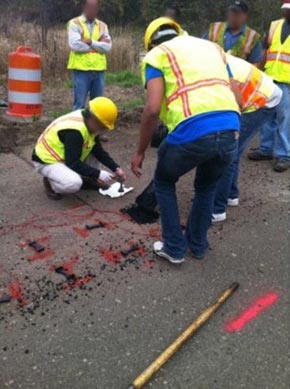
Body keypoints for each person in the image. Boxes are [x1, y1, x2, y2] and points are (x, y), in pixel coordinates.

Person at [131, 17, 240, 264]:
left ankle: (174, 248)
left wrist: (140, 152)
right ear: (180, 32)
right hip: (230, 127)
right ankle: (198, 245)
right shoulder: (213, 48)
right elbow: (237, 98)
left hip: (193, 130)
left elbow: (152, 109)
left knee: (164, 180)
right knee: (206, 187)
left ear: (151, 43)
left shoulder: (157, 56)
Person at [212, 55, 283, 222]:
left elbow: (234, 102)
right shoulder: (211, 56)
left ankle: (217, 209)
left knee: (228, 152)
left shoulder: (211, 68)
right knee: (234, 150)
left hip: (262, 100)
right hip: (263, 94)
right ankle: (231, 195)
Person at [32, 97, 126, 200]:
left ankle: (89, 179)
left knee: (93, 151)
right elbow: (73, 163)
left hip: (65, 155)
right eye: (103, 126)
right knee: (74, 183)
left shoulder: (88, 123)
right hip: (46, 161)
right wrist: (98, 173)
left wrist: (116, 168)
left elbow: (98, 151)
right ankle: (51, 183)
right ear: (94, 119)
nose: (103, 130)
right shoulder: (75, 132)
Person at [248, 0, 290, 173]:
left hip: (287, 82)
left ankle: (284, 155)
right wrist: (258, 73)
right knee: (267, 116)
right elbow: (266, 51)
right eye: (286, 10)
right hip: (270, 78)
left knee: (284, 118)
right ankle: (265, 149)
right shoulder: (275, 26)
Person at [67, 0, 112, 110]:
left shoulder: (103, 26)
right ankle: (77, 126)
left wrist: (91, 42)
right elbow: (75, 45)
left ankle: (94, 127)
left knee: (97, 106)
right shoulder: (74, 23)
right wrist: (98, 44)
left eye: (95, 8)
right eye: (90, 7)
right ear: (84, 7)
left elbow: (107, 47)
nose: (93, 11)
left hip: (98, 70)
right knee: (79, 105)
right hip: (81, 70)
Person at [204, 0, 262, 66]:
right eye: (232, 13)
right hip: (212, 72)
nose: (233, 17)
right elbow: (200, 49)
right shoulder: (216, 29)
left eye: (237, 14)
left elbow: (255, 63)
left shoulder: (251, 37)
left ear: (245, 16)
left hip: (237, 75)